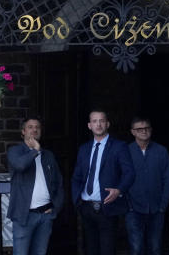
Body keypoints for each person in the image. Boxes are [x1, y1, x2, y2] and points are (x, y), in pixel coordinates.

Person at [70, 109, 134, 255]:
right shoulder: (84, 149)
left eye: (101, 121)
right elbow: (76, 177)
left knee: (107, 250)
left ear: (107, 124)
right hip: (86, 207)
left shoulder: (119, 147)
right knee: (91, 250)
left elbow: (129, 173)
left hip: (107, 206)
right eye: (94, 121)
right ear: (89, 125)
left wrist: (119, 190)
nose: (98, 124)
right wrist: (77, 201)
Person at [6, 117, 64, 255]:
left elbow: (59, 183)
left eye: (37, 127)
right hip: (24, 215)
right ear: (23, 131)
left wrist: (56, 207)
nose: (34, 129)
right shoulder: (15, 151)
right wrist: (34, 151)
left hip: (45, 215)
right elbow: (20, 165)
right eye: (30, 127)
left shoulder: (48, 155)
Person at [125, 116, 169, 255]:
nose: (144, 131)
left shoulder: (161, 151)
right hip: (133, 208)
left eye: (147, 128)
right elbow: (120, 179)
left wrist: (163, 205)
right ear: (133, 132)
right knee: (136, 248)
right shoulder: (126, 151)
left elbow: (168, 179)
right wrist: (128, 204)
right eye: (139, 129)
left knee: (155, 248)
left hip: (156, 207)